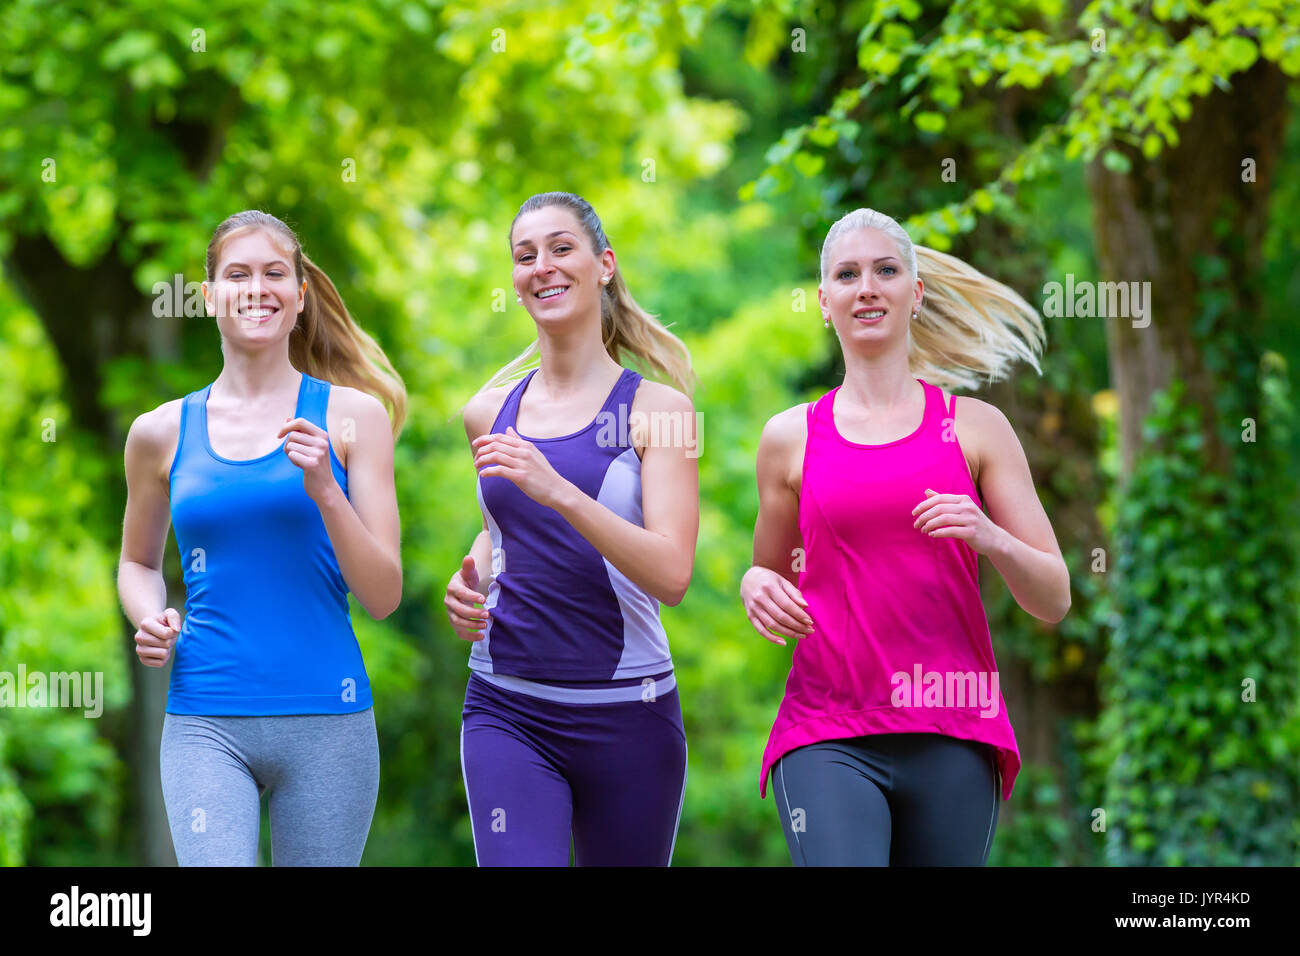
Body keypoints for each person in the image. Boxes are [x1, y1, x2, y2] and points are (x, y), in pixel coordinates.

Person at [741, 207, 1070, 866]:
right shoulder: (791, 437)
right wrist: (755, 582)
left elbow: (1054, 597)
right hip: (828, 727)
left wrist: (990, 537)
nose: (867, 287)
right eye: (848, 274)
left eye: (886, 270)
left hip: (951, 724)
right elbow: (771, 571)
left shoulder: (975, 428)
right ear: (824, 301)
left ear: (913, 293)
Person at [117, 210, 406, 866]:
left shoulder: (354, 417)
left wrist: (326, 491)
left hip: (329, 724)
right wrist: (149, 616)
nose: (257, 288)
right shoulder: (158, 432)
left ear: (301, 296)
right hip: (205, 722)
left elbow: (384, 593)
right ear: (209, 295)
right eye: (237, 274)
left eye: (275, 273)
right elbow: (137, 562)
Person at [445, 191, 699, 866]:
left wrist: (561, 492)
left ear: (603, 264)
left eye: (561, 248)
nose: (542, 267)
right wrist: (470, 577)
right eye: (525, 256)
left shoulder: (658, 411)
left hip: (630, 716)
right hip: (507, 707)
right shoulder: (488, 412)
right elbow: (502, 532)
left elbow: (672, 574)